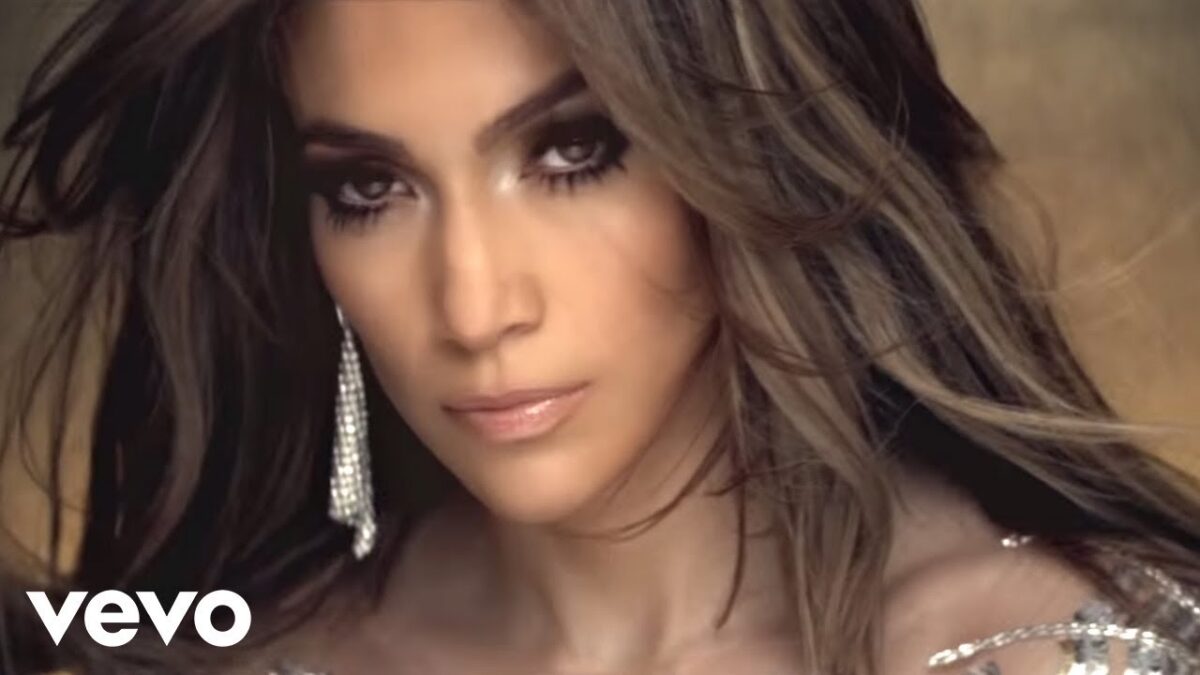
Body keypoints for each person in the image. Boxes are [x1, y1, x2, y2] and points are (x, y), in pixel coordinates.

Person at [1, 1, 1197, 673]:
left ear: (753, 160)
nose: (475, 309)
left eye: (574, 152)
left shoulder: (1068, 652)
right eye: (368, 189)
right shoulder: (234, 648)